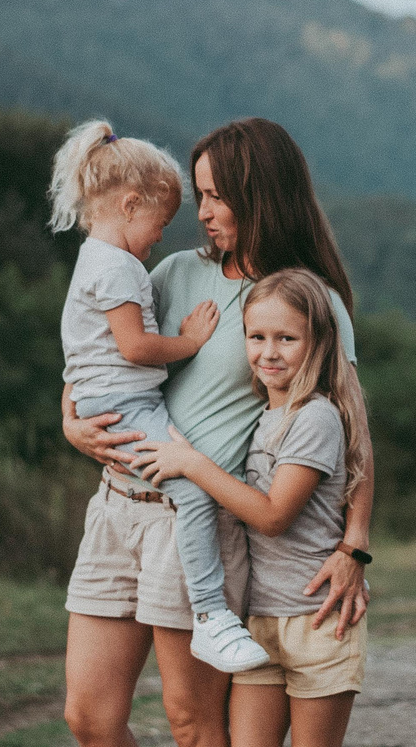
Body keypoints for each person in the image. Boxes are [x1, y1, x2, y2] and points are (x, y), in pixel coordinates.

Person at [53, 118, 375, 747]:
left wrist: (354, 545)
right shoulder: (170, 270)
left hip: (196, 522)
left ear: (258, 194)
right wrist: (70, 420)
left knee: (194, 719)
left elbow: (351, 431)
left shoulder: (306, 298)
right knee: (90, 713)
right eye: (196, 195)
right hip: (116, 504)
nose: (203, 212)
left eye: (216, 195)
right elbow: (101, 348)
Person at [134, 268, 367, 747]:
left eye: (286, 338)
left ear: (317, 342)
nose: (269, 351)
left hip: (318, 622)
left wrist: (189, 462)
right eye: (257, 336)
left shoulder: (318, 416)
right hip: (259, 622)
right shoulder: (263, 416)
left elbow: (271, 512)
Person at [46, 119, 268, 676]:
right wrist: (190, 341)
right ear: (128, 204)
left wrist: (74, 407)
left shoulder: (96, 261)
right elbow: (135, 346)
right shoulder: (119, 268)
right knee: (192, 493)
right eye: (159, 222)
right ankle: (213, 616)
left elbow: (83, 348)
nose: (163, 237)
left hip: (117, 404)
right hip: (127, 408)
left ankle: (211, 615)